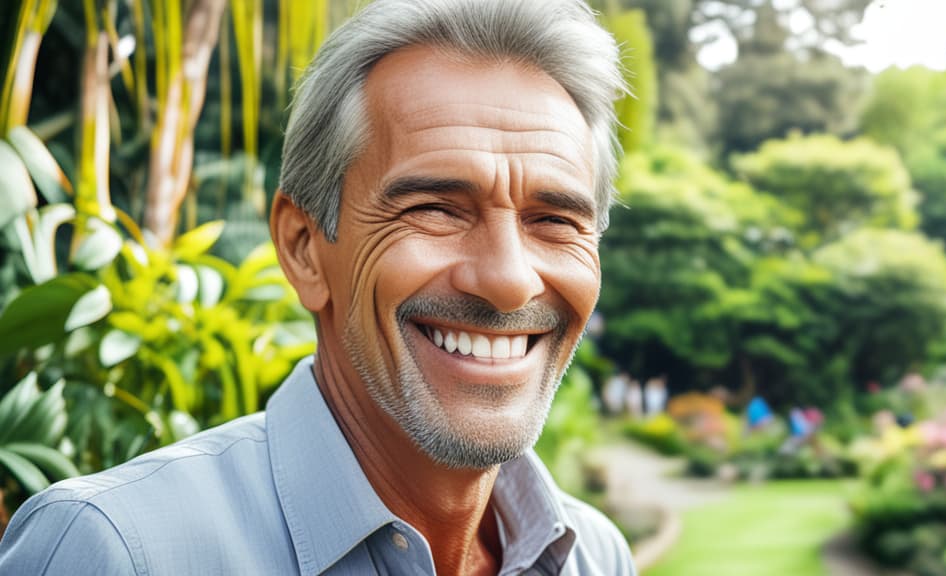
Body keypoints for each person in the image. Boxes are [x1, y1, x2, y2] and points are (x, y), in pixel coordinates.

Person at [0, 0, 634, 574]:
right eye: (435, 209)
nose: (507, 280)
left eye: (554, 220)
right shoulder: (119, 551)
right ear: (304, 249)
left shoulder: (594, 556)